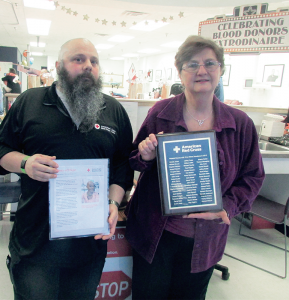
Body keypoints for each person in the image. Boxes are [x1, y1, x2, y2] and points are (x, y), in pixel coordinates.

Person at [125, 35, 265, 300]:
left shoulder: (240, 123)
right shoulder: (160, 112)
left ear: (221, 70)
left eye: (210, 63)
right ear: (180, 72)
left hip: (206, 240)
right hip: (156, 235)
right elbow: (133, 159)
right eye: (192, 64)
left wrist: (226, 206)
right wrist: (145, 154)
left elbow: (253, 177)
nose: (202, 70)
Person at [0, 38, 133, 300]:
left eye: (94, 61)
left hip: (88, 246)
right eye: (79, 59)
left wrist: (114, 203)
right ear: (59, 66)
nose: (88, 66)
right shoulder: (30, 102)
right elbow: (2, 150)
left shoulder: (113, 110)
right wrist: (26, 164)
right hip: (35, 244)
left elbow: (122, 164)